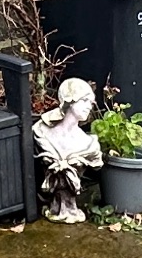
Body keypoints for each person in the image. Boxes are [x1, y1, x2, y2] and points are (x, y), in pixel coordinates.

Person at [31, 76, 103, 223]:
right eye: (84, 100)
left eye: (91, 102)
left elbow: (96, 163)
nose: (89, 106)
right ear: (70, 100)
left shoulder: (88, 144)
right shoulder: (41, 131)